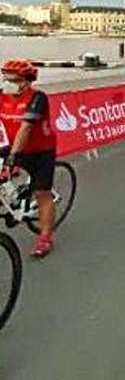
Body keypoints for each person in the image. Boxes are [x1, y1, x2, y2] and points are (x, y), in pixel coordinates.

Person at [0, 59, 58, 257]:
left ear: (25, 81)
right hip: (11, 146)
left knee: (42, 193)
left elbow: (26, 128)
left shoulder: (37, 98)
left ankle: (45, 238)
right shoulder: (2, 96)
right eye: (5, 77)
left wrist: (13, 157)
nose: (7, 81)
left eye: (12, 79)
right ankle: (12, 199)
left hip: (40, 150)